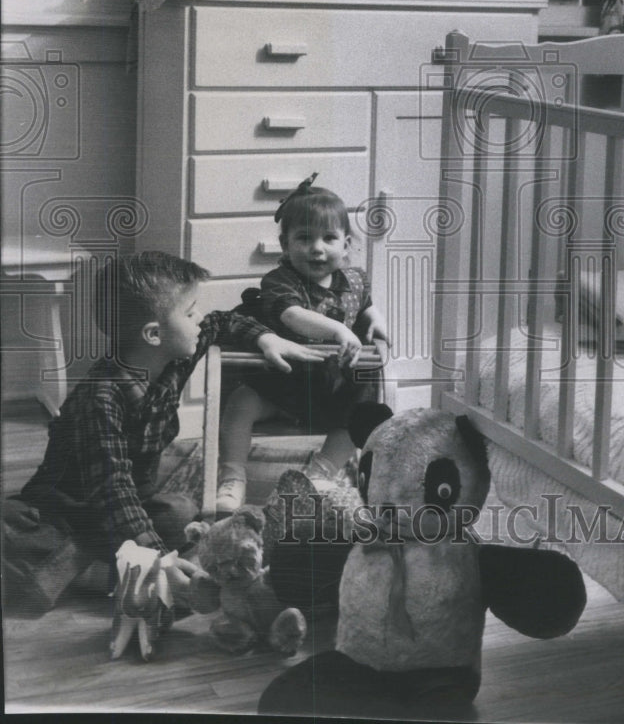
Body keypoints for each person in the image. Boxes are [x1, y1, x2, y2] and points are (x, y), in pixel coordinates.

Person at [8, 250, 328, 613]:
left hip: (134, 498)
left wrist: (266, 340)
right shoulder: (100, 399)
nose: (199, 320)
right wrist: (160, 559)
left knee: (180, 510)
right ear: (154, 334)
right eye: (190, 312)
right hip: (73, 506)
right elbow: (112, 491)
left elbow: (221, 322)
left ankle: (102, 566)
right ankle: (78, 565)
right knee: (39, 562)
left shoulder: (172, 354)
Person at [215, 175, 389, 515]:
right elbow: (292, 315)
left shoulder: (354, 280)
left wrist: (378, 326)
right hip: (282, 379)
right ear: (285, 244)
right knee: (240, 402)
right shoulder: (280, 281)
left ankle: (321, 471)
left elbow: (367, 308)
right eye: (304, 238)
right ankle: (233, 474)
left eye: (329, 238)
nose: (317, 248)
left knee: (362, 410)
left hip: (331, 385)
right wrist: (338, 329)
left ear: (347, 243)